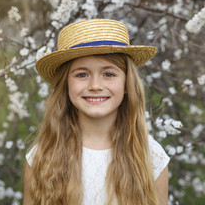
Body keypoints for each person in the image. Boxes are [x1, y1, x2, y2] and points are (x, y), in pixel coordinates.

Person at [23, 19, 170, 205]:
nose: (95, 86)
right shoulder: (42, 157)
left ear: (127, 84)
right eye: (81, 75)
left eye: (109, 74)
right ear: (66, 84)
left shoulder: (151, 158)